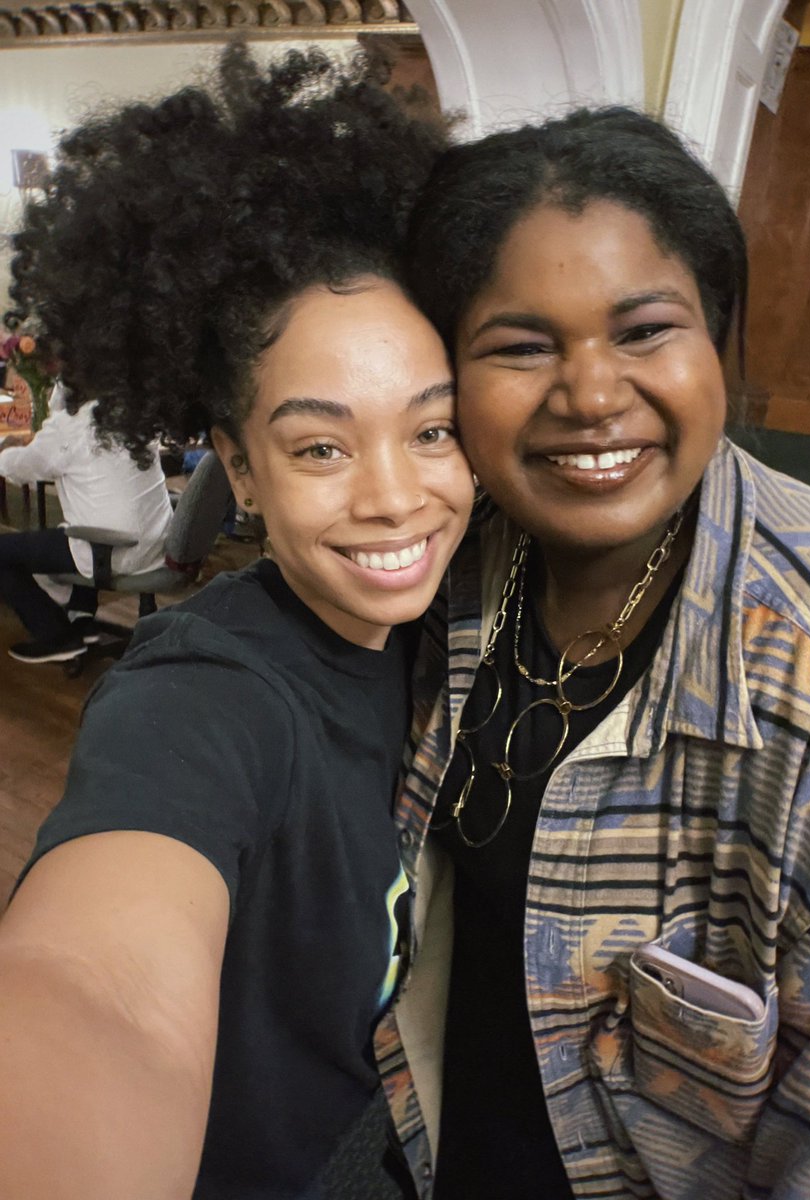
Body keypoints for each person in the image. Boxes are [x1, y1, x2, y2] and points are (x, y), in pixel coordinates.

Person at [375, 108, 810, 1198]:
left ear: (718, 338)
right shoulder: (452, 562)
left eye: (646, 329)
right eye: (521, 346)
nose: (593, 394)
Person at [0, 46, 473, 1200]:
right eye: (320, 445)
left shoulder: (471, 624)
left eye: (432, 430)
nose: (393, 495)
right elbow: (97, 990)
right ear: (241, 472)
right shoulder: (203, 694)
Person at [0, 379, 172, 662]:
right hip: (157, 543)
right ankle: (83, 620)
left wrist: (5, 451)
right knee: (75, 526)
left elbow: (21, 468)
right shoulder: (133, 411)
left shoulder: (73, 424)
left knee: (7, 551)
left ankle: (55, 636)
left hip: (114, 549)